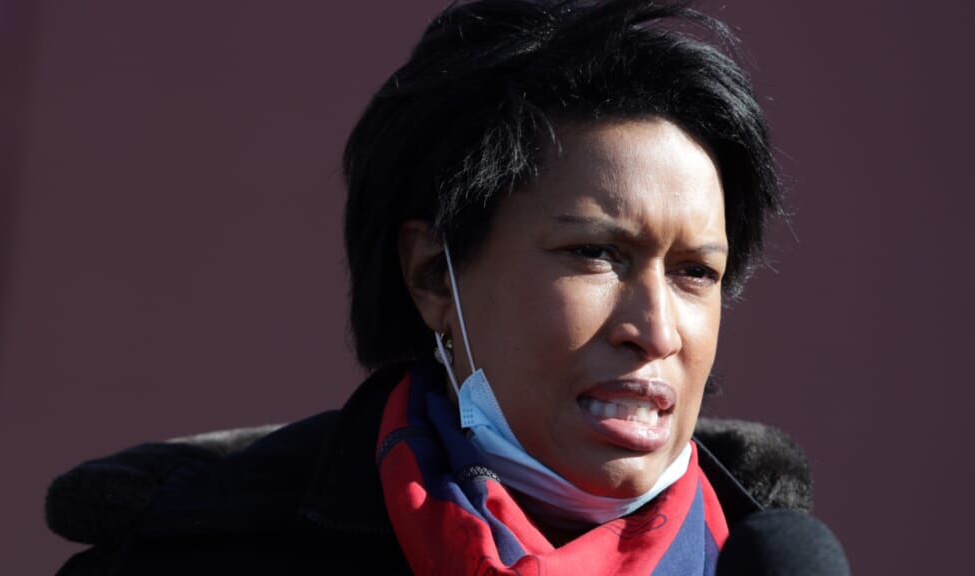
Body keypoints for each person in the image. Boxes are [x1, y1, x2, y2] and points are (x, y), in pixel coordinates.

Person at [46, 0, 817, 573]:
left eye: (695, 273)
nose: (656, 329)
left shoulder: (763, 560)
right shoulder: (191, 555)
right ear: (431, 273)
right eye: (594, 253)